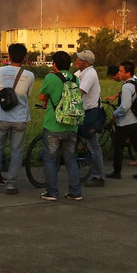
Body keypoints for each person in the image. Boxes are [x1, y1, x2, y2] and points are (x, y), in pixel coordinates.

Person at [0, 43, 34, 193]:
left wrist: (0, 104)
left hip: (2, 116)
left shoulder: (0, 71)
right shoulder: (29, 75)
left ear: (9, 56)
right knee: (17, 152)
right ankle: (11, 184)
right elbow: (28, 96)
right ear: (24, 58)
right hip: (20, 118)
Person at [37, 50, 83, 201]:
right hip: (71, 125)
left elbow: (42, 96)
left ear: (54, 64)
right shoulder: (75, 79)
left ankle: (52, 192)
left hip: (53, 125)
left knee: (50, 159)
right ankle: (75, 192)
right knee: (70, 158)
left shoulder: (50, 77)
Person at [106, 61, 137, 181]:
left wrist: (115, 114)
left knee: (118, 146)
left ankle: (117, 171)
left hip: (126, 122)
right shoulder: (136, 82)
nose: (119, 73)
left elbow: (125, 106)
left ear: (128, 73)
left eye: (121, 71)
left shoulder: (126, 86)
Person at [75, 49, 106, 187]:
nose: (76, 61)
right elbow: (69, 81)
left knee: (93, 146)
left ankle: (98, 176)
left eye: (80, 59)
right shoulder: (80, 73)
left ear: (87, 63)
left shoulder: (90, 74)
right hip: (82, 112)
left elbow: (79, 92)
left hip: (90, 113)